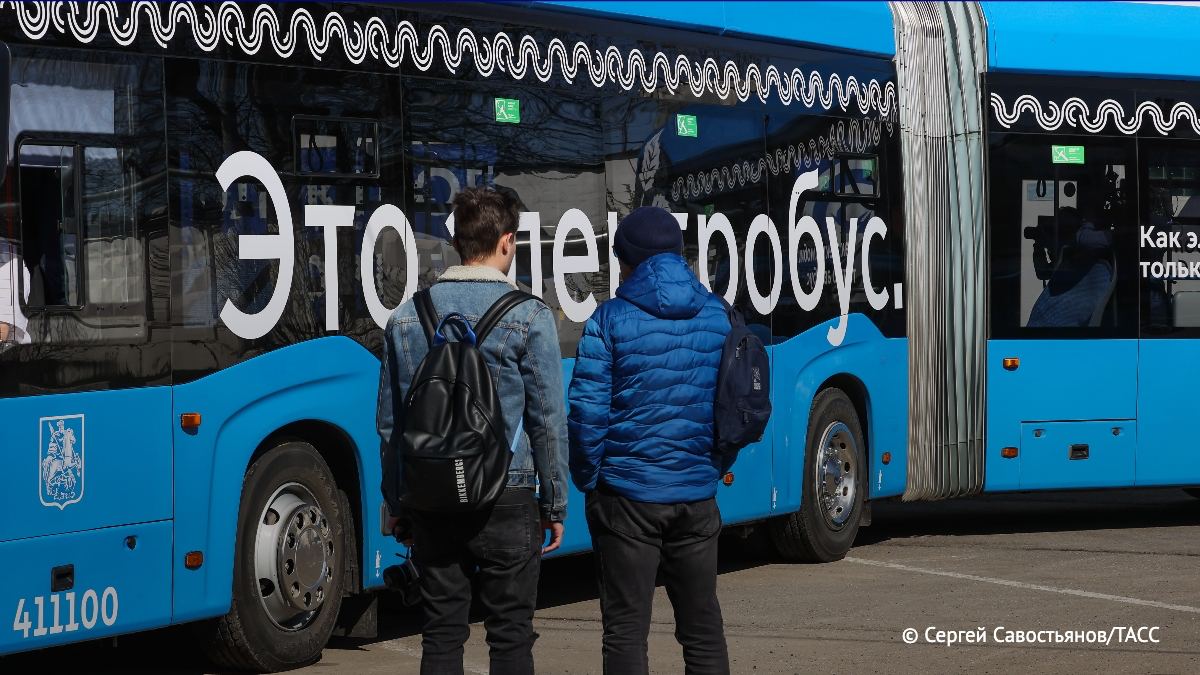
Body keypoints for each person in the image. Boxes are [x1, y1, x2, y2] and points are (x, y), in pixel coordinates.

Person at [377, 186, 569, 675]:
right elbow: (547, 421)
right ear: (506, 243)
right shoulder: (529, 315)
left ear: (459, 243)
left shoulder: (405, 319)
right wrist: (554, 503)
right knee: (510, 635)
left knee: (441, 633)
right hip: (508, 493)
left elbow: (391, 425)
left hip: (433, 496)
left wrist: (398, 504)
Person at [568, 206, 733, 674]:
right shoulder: (719, 316)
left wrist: (590, 479)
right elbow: (736, 404)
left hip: (626, 498)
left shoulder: (608, 320)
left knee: (625, 630)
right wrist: (712, 465)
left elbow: (586, 415)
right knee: (702, 629)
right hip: (697, 495)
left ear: (628, 261)